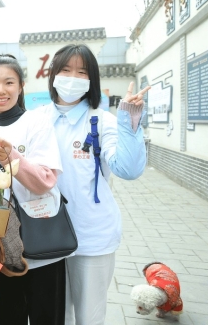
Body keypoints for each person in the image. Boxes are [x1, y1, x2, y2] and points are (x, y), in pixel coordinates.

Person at [40, 44, 149, 325]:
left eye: (82, 72)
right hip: (42, 237)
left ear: (92, 80)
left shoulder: (103, 121)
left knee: (89, 317)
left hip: (90, 237)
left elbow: (128, 169)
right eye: (65, 70)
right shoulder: (37, 119)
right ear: (53, 75)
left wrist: (129, 121)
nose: (72, 77)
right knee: (52, 316)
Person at [0, 55, 64, 325]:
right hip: (2, 244)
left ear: (21, 86)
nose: (1, 90)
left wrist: (10, 158)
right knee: (9, 317)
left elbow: (45, 181)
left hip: (43, 240)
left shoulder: (37, 123)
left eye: (9, 82)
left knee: (48, 317)